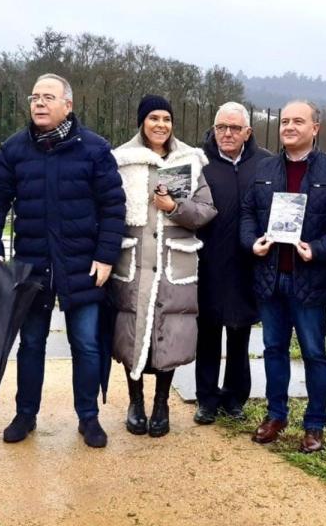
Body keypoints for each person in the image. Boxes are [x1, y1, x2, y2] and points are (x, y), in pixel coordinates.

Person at [0, 73, 126, 448]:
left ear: (68, 106)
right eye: (34, 97)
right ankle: (25, 415)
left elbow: (113, 206)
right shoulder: (15, 149)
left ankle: (88, 418)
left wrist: (106, 256)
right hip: (31, 262)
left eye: (48, 97)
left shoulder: (94, 149)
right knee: (30, 343)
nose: (39, 103)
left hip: (82, 265)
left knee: (87, 344)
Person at [239, 100, 326, 453]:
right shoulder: (264, 169)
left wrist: (320, 248)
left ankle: (315, 424)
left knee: (313, 353)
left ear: (315, 128)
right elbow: (247, 212)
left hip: (311, 278)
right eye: (285, 120)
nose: (289, 126)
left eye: (298, 121)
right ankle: (276, 415)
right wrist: (252, 243)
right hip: (271, 277)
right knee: (273, 349)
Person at [108, 95, 217, 437]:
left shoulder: (189, 161)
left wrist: (173, 207)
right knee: (132, 333)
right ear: (142, 121)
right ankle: (135, 401)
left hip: (174, 262)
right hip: (136, 262)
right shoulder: (123, 161)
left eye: (166, 119)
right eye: (154, 118)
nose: (161, 125)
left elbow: (205, 211)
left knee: (169, 335)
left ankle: (161, 404)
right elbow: (108, 207)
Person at [193, 101, 271, 425]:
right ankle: (206, 400)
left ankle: (235, 397)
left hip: (249, 261)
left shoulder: (266, 164)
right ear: (213, 129)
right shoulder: (198, 162)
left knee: (240, 333)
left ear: (247, 132)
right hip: (208, 260)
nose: (227, 133)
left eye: (235, 128)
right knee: (208, 333)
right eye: (222, 127)